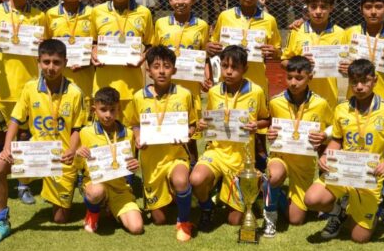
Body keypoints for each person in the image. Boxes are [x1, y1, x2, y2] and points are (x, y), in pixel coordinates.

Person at [0, 39, 85, 244]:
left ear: (65, 62)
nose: (51, 67)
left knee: (60, 219)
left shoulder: (75, 92)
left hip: (60, 158)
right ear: (38, 61)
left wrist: (72, 150)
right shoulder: (30, 88)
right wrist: (7, 147)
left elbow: (77, 128)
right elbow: (15, 119)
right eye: (46, 61)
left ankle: (64, 188)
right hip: (36, 153)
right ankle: (1, 221)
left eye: (56, 62)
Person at [304, 59, 384, 242]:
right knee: (312, 199)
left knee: (359, 238)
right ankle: (339, 212)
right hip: (343, 171)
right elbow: (337, 139)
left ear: (375, 80)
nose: (360, 87)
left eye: (365, 81)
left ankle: (378, 207)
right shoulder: (341, 109)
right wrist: (325, 155)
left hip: (369, 176)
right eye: (354, 82)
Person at [0, 0, 48, 206]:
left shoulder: (39, 16)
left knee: (23, 137)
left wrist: (42, 43)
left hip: (28, 87)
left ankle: (23, 184)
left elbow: (47, 50)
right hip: (1, 87)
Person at [339, 0, 384, 226]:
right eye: (368, 7)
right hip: (355, 100)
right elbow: (339, 61)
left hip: (383, 103)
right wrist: (343, 67)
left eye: (378, 7)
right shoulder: (350, 33)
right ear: (361, 9)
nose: (373, 12)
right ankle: (347, 199)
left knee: (381, 152)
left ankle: (380, 200)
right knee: (352, 149)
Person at [207, 0, 281, 171]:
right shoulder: (225, 16)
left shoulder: (269, 20)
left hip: (255, 84)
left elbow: (277, 51)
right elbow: (215, 47)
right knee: (225, 128)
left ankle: (258, 180)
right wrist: (210, 48)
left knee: (257, 134)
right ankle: (223, 172)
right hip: (228, 85)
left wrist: (274, 52)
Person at [191, 45, 270, 230]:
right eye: (225, 66)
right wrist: (202, 124)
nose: (228, 71)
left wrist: (255, 126)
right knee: (196, 179)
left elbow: (266, 119)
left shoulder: (256, 91)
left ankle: (245, 195)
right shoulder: (214, 91)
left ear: (245, 68)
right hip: (217, 151)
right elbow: (209, 119)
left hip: (242, 157)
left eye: (234, 67)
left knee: (234, 221)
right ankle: (207, 208)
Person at [124, 46, 196, 241]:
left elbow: (192, 126)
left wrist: (186, 134)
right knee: (159, 219)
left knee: (181, 180)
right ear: (148, 71)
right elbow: (133, 124)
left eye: (167, 66)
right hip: (152, 161)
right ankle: (171, 195)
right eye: (156, 66)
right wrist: (138, 136)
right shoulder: (139, 97)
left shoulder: (184, 95)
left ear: (174, 69)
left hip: (175, 156)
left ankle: (184, 220)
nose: (161, 71)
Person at [263, 56, 333, 237]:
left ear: (310, 77)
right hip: (281, 158)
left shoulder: (321, 103)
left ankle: (272, 192)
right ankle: (269, 214)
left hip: (304, 164)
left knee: (296, 219)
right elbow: (270, 127)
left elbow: (334, 128)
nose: (293, 82)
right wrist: (270, 134)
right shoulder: (275, 101)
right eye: (290, 77)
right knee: (275, 175)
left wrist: (325, 135)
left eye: (299, 78)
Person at [153, 0, 210, 163]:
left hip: (191, 89)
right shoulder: (161, 23)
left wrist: (206, 77)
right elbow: (155, 54)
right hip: (166, 88)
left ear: (193, 0)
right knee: (166, 131)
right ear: (170, 0)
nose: (180, 1)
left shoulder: (201, 25)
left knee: (191, 135)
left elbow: (204, 56)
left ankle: (192, 169)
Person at [77, 87, 143, 235]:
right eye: (103, 110)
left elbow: (129, 164)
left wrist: (133, 166)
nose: (108, 115)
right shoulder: (85, 133)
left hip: (120, 188)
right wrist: (78, 154)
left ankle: (109, 209)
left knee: (137, 228)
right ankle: (93, 213)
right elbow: (77, 167)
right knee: (96, 192)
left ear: (118, 109)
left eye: (112, 110)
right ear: (94, 110)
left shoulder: (129, 134)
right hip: (96, 183)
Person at [90, 0, 154, 116]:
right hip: (103, 85)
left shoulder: (144, 13)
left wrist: (142, 58)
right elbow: (93, 42)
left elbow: (150, 45)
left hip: (132, 87)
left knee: (131, 134)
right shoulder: (97, 11)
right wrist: (93, 52)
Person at [281, 0, 344, 108]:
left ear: (331, 8)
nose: (318, 12)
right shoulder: (296, 31)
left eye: (323, 7)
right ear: (307, 8)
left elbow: (350, 65)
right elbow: (283, 62)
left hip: (328, 99)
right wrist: (300, 64)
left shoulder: (341, 34)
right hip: (300, 98)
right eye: (313, 7)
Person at [46, 0, 94, 124]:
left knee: (85, 134)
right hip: (59, 86)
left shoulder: (92, 14)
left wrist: (89, 59)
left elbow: (99, 46)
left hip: (86, 85)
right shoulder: (50, 15)